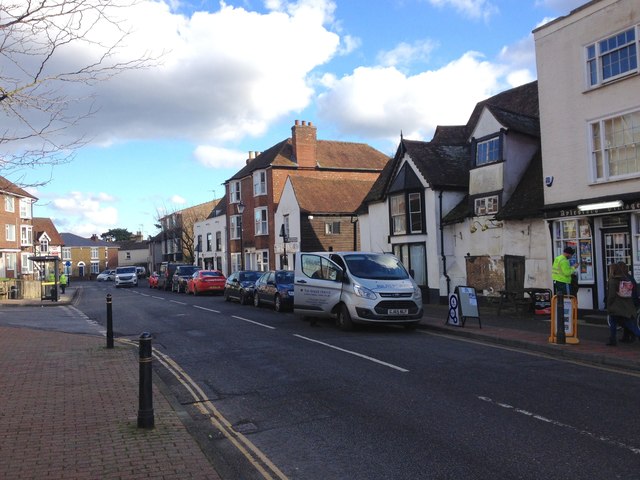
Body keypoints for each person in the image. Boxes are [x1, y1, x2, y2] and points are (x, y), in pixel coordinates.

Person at [606, 262, 640, 346]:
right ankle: (614, 339)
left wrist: (608, 305)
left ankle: (612, 340)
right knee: (629, 323)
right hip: (627, 305)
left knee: (613, 322)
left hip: (616, 306)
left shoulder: (613, 280)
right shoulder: (626, 279)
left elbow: (611, 295)